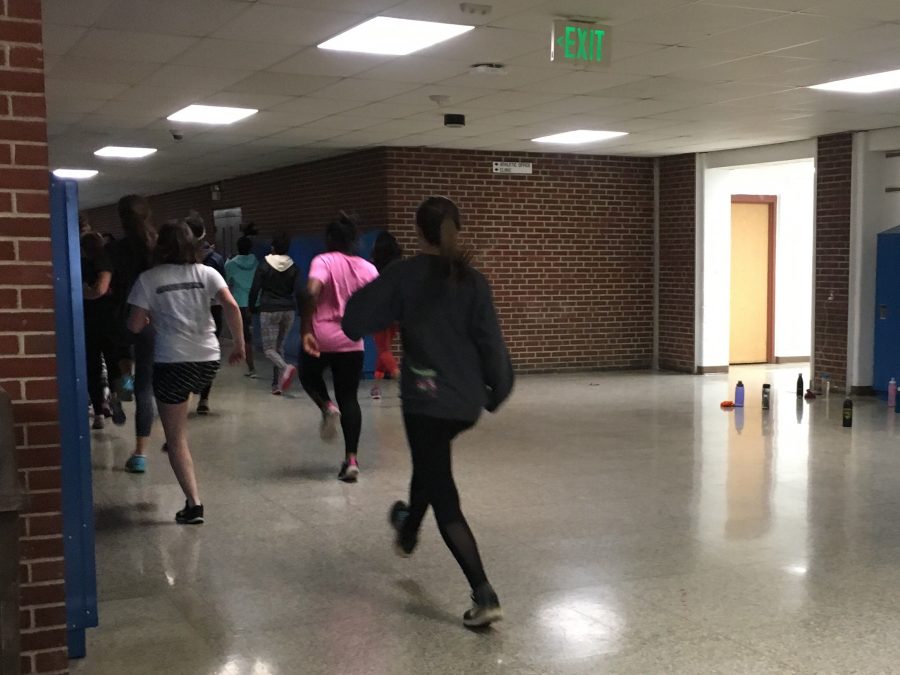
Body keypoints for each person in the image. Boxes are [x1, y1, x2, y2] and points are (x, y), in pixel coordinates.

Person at [343, 196, 514, 627]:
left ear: (419, 232)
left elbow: (353, 320)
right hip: (466, 403)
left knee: (445, 495)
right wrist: (496, 392)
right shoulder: (473, 281)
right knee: (430, 464)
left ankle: (484, 593)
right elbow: (492, 345)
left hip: (427, 402)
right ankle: (407, 526)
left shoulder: (405, 275)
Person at [126, 221, 245, 524]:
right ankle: (179, 419)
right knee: (185, 393)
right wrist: (239, 345)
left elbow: (135, 325)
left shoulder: (149, 279)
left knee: (176, 439)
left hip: (172, 361)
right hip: (208, 360)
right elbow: (231, 305)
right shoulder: (208, 273)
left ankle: (194, 505)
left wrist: (153, 316)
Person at [299, 213, 378, 482]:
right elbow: (376, 302)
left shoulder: (323, 260)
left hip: (322, 336)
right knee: (350, 397)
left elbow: (310, 292)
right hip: (351, 339)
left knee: (308, 375)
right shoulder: (368, 268)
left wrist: (306, 329)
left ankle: (326, 406)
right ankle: (351, 460)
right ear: (354, 240)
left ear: (329, 239)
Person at [108, 195, 157, 474]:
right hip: (150, 319)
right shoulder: (157, 246)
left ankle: (124, 374)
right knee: (145, 389)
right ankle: (139, 454)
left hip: (121, 316)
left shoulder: (114, 249)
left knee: (121, 354)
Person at [81, 232, 125, 429]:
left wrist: (82, 293)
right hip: (110, 322)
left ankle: (99, 412)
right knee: (114, 364)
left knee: (93, 368)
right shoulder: (108, 261)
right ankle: (117, 398)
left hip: (88, 323)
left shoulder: (85, 264)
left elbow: (99, 289)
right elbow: (104, 289)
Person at [249, 234, 298, 395]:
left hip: (269, 309)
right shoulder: (293, 266)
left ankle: (286, 368)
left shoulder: (264, 265)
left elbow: (256, 287)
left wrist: (251, 305)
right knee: (279, 347)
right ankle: (277, 385)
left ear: (273, 247)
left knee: (269, 349)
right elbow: (299, 290)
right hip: (288, 310)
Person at [186, 213, 225, 415]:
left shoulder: (181, 259)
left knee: (190, 352)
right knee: (208, 353)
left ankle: (192, 391)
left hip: (190, 310)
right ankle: (204, 397)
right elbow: (224, 294)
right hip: (214, 310)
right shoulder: (216, 259)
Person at [369, 231, 403, 400]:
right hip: (395, 313)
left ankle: (401, 381)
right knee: (384, 349)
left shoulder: (372, 266)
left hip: (378, 312)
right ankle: (376, 387)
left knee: (383, 350)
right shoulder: (400, 266)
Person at [225, 236, 259, 378]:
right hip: (256, 302)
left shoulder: (231, 264)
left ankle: (251, 368)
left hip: (240, 304)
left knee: (246, 337)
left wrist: (228, 261)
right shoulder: (257, 262)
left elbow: (227, 281)